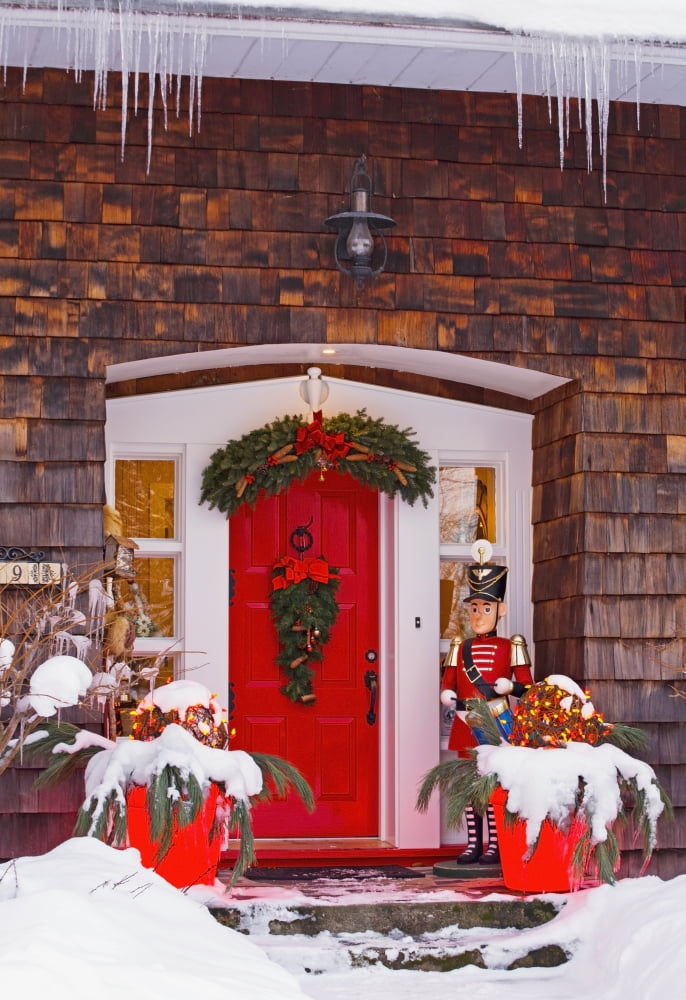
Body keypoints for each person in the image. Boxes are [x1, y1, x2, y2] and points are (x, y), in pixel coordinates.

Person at [440, 561, 533, 865]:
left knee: (493, 783)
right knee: (469, 784)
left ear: (500, 610)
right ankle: (472, 843)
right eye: (474, 608)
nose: (478, 615)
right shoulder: (460, 646)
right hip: (467, 720)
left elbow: (529, 689)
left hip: (496, 720)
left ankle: (494, 843)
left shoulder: (512, 645)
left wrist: (511, 687)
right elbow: (449, 681)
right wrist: (446, 694)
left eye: (485, 608)